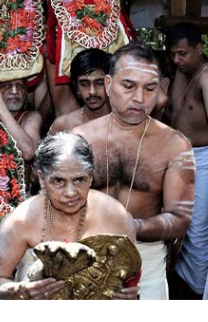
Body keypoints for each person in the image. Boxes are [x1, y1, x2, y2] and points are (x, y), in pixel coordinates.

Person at [72, 42, 195, 300]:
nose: (139, 98)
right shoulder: (78, 138)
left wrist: (129, 227)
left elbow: (180, 218)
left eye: (149, 89)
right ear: (108, 84)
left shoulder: (175, 145)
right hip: (83, 253)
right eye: (128, 86)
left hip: (144, 259)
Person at [0, 131, 140, 300]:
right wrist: (19, 290)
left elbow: (130, 281)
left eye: (79, 180)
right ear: (42, 179)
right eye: (58, 181)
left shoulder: (116, 217)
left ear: (90, 178)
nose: (70, 192)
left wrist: (127, 295)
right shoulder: (21, 220)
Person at [165, 22, 208, 299]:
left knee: (197, 229)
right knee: (179, 226)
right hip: (177, 157)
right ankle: (186, 287)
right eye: (173, 54)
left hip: (203, 159)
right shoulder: (180, 73)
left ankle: (196, 295)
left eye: (183, 53)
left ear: (199, 48)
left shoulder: (206, 77)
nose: (177, 60)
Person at [0, 79, 42, 192]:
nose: (15, 91)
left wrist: (0, 107)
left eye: (20, 86)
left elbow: (28, 152)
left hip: (19, 199)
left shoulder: (30, 117)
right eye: (7, 85)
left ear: (26, 92)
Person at [49, 48, 111, 134]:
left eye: (99, 83)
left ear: (110, 83)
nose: (92, 92)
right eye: (84, 84)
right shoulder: (63, 125)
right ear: (76, 87)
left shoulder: (124, 123)